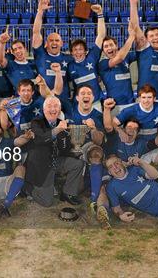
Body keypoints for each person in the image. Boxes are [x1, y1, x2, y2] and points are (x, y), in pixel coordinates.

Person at [24, 96, 85, 207]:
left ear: (60, 109)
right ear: (43, 110)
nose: (53, 108)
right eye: (49, 106)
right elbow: (41, 139)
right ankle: (28, 188)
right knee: (47, 202)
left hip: (55, 161)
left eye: (56, 106)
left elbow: (64, 149)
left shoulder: (61, 123)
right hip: (40, 166)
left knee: (77, 164)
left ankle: (68, 193)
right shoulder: (36, 122)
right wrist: (58, 130)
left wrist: (74, 150)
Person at [61, 84, 106, 223]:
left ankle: (94, 199)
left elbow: (99, 141)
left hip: (87, 149)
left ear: (93, 97)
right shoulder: (69, 112)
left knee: (97, 153)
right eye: (82, 93)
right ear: (77, 97)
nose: (86, 95)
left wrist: (92, 128)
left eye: (89, 93)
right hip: (69, 150)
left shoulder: (98, 115)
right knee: (78, 189)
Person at [32, 0, 73, 101]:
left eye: (57, 40)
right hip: (43, 100)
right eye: (51, 40)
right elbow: (36, 32)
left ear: (62, 44)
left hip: (63, 101)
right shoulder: (40, 54)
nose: (54, 43)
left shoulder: (69, 59)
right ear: (46, 44)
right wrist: (40, 11)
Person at [66, 4, 105, 107]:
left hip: (96, 102)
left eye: (80, 49)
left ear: (85, 51)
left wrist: (100, 14)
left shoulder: (92, 57)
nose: (78, 52)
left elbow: (101, 36)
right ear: (71, 53)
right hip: (79, 105)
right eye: (75, 50)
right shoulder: (69, 67)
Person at [97, 20, 137, 113]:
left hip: (130, 103)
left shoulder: (127, 57)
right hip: (114, 106)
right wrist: (131, 37)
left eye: (111, 45)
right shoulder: (102, 64)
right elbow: (119, 58)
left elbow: (141, 51)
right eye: (106, 46)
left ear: (116, 46)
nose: (109, 48)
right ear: (103, 51)